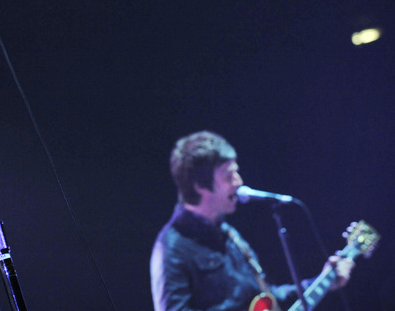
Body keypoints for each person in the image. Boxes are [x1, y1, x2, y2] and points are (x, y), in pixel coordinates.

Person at [150, 131, 354, 311]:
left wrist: (322, 281)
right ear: (199, 186)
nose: (238, 182)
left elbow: (267, 297)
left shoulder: (230, 235)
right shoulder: (172, 248)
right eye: (229, 176)